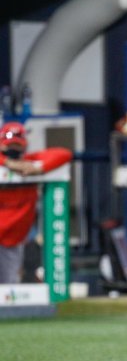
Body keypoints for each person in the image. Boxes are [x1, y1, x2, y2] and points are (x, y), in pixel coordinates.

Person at [0, 121, 72, 284]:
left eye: (17, 145)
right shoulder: (4, 163)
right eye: (8, 145)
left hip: (13, 240)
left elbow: (64, 154)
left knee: (9, 288)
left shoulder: (30, 162)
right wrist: (8, 163)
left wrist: (38, 169)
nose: (13, 149)